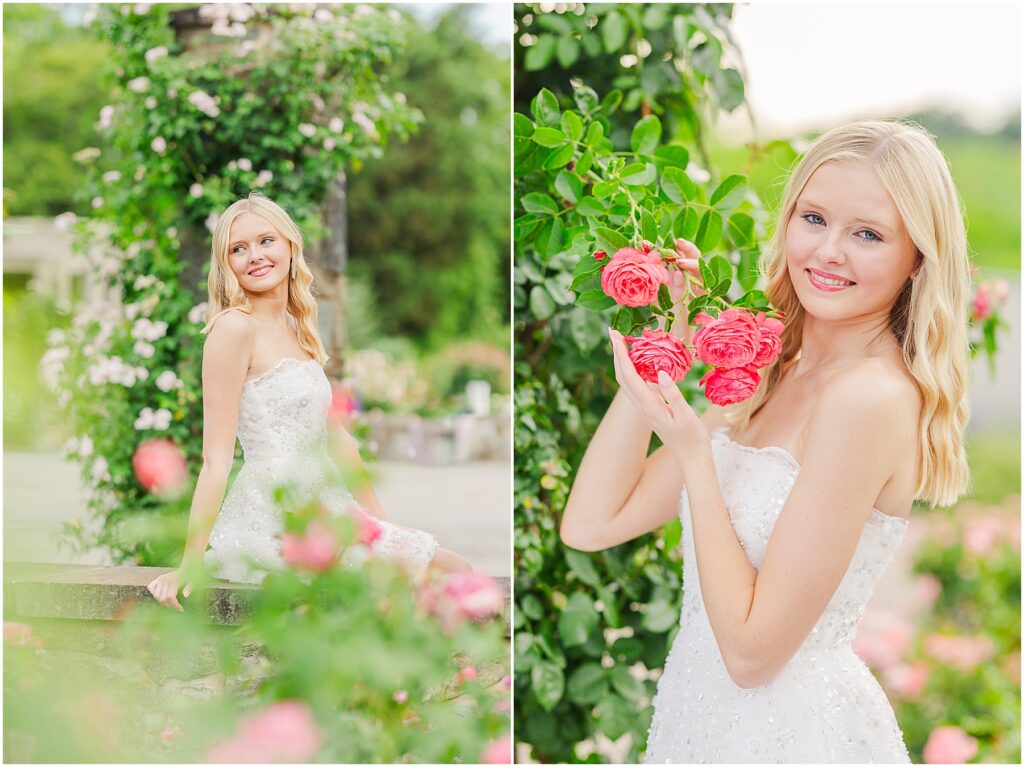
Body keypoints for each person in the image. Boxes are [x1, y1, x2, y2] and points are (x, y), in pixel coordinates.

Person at [560, 120, 971, 763]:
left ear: (917, 258)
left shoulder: (869, 399)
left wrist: (697, 456)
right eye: (814, 218)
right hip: (701, 724)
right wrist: (661, 348)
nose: (829, 251)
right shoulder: (773, 369)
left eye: (867, 234)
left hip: (789, 736)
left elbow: (752, 655)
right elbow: (590, 523)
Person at [148, 192, 472, 608]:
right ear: (226, 263)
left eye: (266, 241)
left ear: (289, 245)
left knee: (450, 572)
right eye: (238, 249)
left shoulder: (298, 324)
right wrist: (190, 561)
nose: (255, 256)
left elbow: (338, 440)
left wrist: (385, 530)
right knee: (436, 581)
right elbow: (216, 459)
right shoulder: (233, 330)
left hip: (331, 503)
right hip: (277, 513)